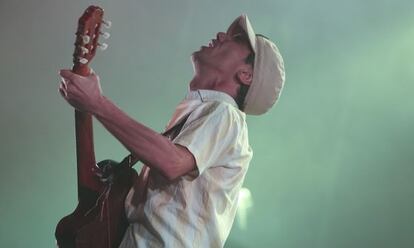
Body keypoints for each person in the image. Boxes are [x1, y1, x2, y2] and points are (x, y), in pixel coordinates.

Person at [59, 14, 285, 248]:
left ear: (246, 75)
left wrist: (97, 103)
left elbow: (172, 162)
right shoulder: (205, 115)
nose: (221, 35)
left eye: (236, 39)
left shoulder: (226, 115)